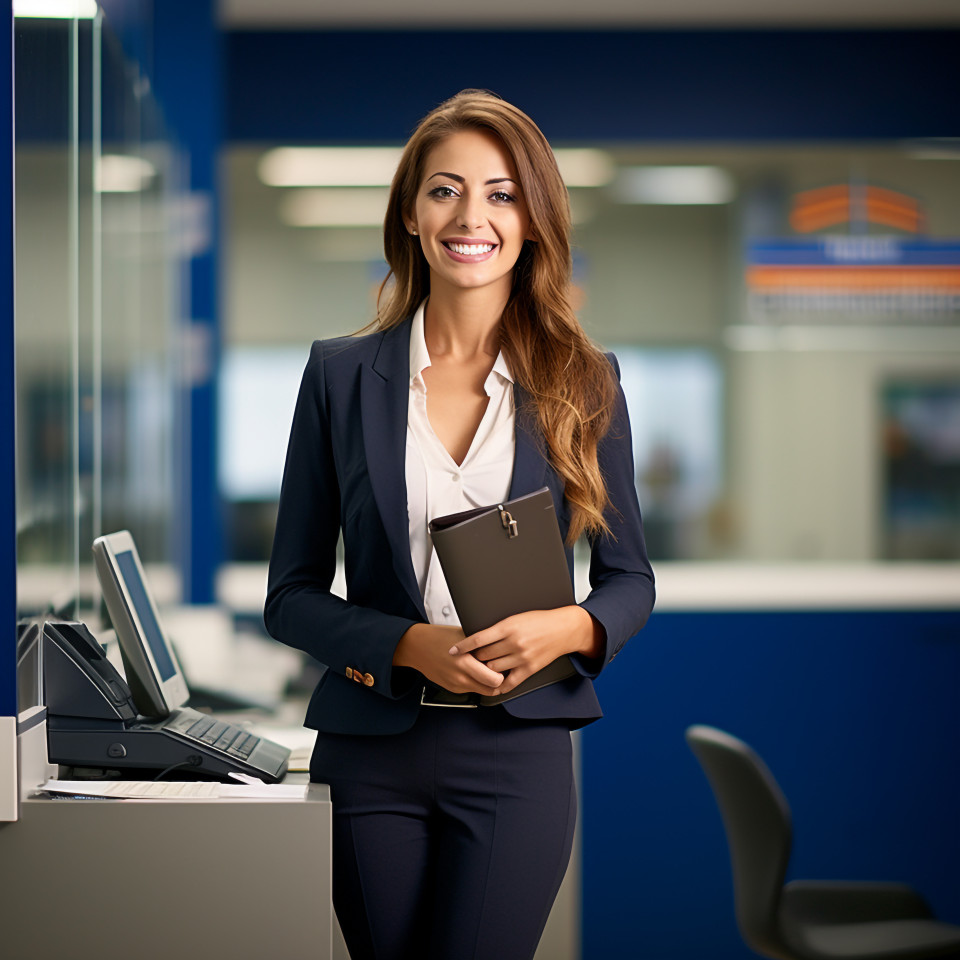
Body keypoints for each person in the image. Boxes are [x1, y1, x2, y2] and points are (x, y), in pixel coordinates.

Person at [264, 89, 655, 960]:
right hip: (372, 753)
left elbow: (632, 579)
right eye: (445, 190)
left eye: (501, 193)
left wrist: (575, 625)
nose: (470, 215)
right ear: (411, 212)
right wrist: (408, 644)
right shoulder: (337, 376)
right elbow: (288, 598)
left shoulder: (585, 382)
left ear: (532, 221)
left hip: (515, 753)